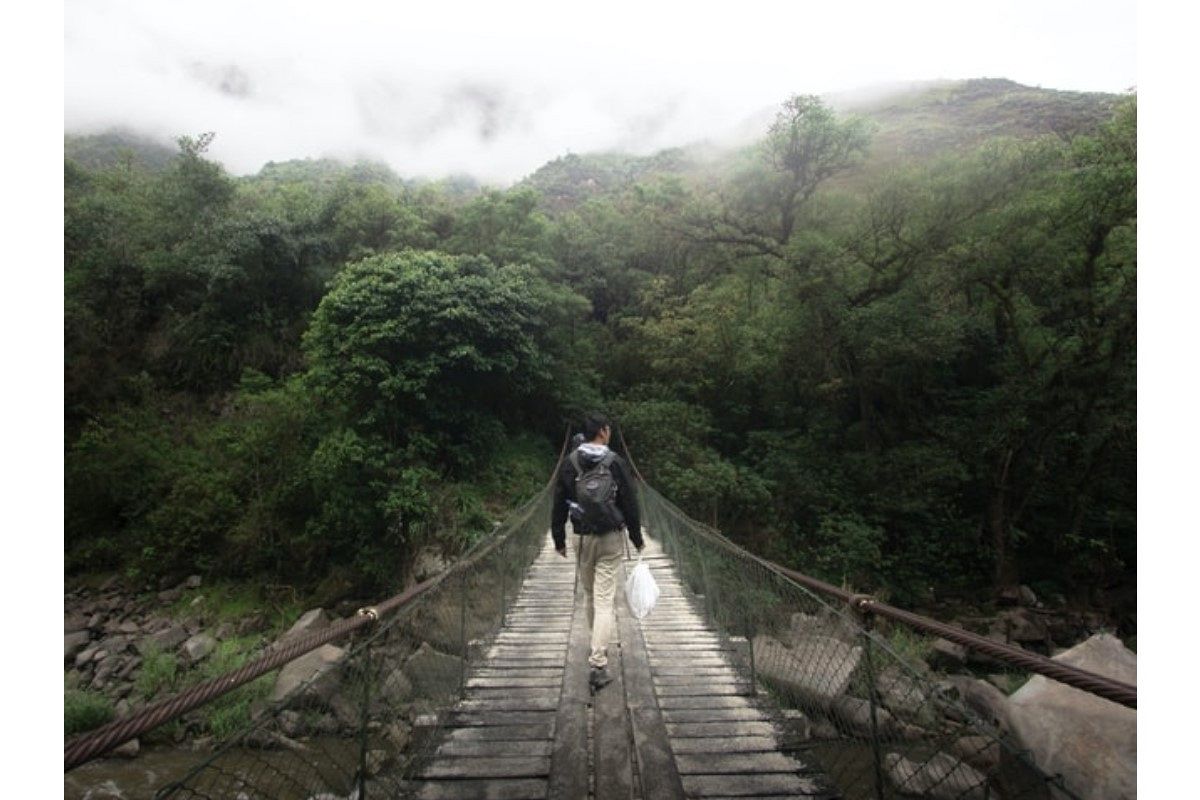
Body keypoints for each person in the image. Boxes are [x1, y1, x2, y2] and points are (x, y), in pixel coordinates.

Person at [552, 413, 644, 693]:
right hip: (610, 538)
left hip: (581, 537)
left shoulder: (569, 464)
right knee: (605, 600)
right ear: (603, 432)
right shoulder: (615, 462)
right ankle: (598, 662)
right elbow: (629, 501)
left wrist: (558, 538)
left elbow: (558, 502)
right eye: (608, 430)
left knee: (591, 595)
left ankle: (597, 647)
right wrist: (636, 536)